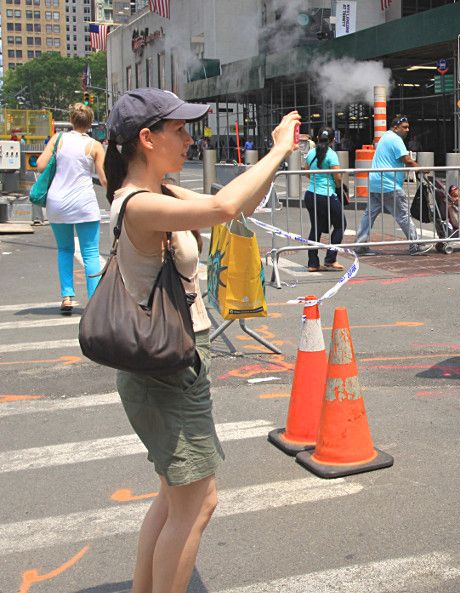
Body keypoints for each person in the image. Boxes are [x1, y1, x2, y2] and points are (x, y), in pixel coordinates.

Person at [103, 87, 300, 593]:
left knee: (173, 501)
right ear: (146, 139)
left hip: (172, 365)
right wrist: (276, 149)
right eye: (180, 130)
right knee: (197, 504)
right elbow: (223, 207)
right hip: (167, 372)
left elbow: (236, 206)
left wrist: (276, 158)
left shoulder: (159, 194)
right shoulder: (141, 204)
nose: (191, 139)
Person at [35, 102, 107, 311]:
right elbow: (103, 179)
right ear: (90, 122)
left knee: (65, 249)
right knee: (91, 253)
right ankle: (93, 302)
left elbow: (40, 165)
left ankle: (67, 297)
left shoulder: (58, 139)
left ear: (71, 120)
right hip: (84, 203)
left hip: (57, 203)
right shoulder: (94, 145)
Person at [354, 115, 431, 256]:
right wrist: (420, 168)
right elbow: (406, 159)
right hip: (389, 183)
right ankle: (415, 245)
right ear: (395, 127)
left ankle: (360, 244)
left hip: (376, 182)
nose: (407, 130)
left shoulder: (385, 136)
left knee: (369, 214)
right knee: (403, 214)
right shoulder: (396, 139)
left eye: (408, 127)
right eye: (404, 127)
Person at [302, 128, 344, 272]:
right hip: (326, 195)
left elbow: (306, 171)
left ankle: (313, 263)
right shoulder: (332, 155)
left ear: (317, 138)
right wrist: (338, 187)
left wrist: (316, 180)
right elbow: (337, 177)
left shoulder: (311, 153)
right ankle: (330, 259)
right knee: (340, 224)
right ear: (333, 140)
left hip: (310, 194)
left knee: (316, 228)